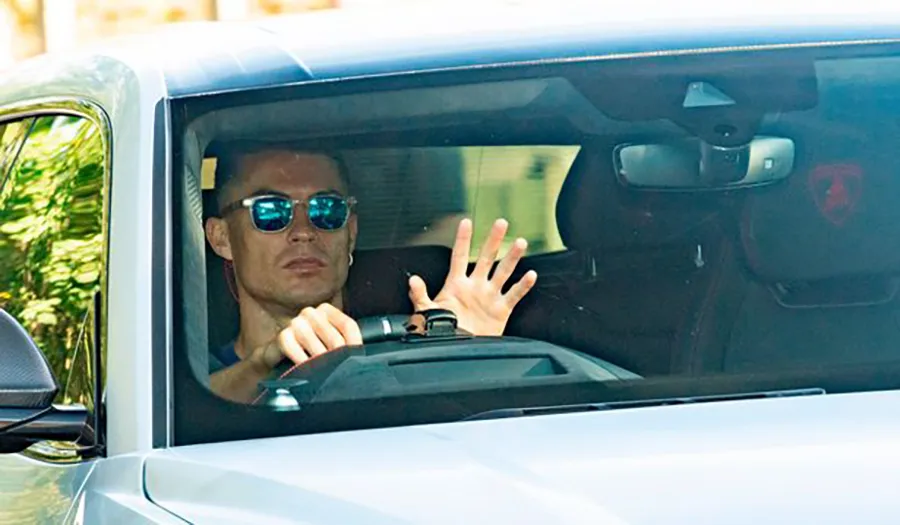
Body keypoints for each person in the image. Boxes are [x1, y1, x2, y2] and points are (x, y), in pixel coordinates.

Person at [204, 147, 538, 403]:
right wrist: (264, 365)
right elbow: (198, 412)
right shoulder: (185, 377)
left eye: (327, 209)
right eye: (270, 211)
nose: (304, 231)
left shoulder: (402, 358)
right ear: (221, 238)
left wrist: (459, 355)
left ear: (350, 233)